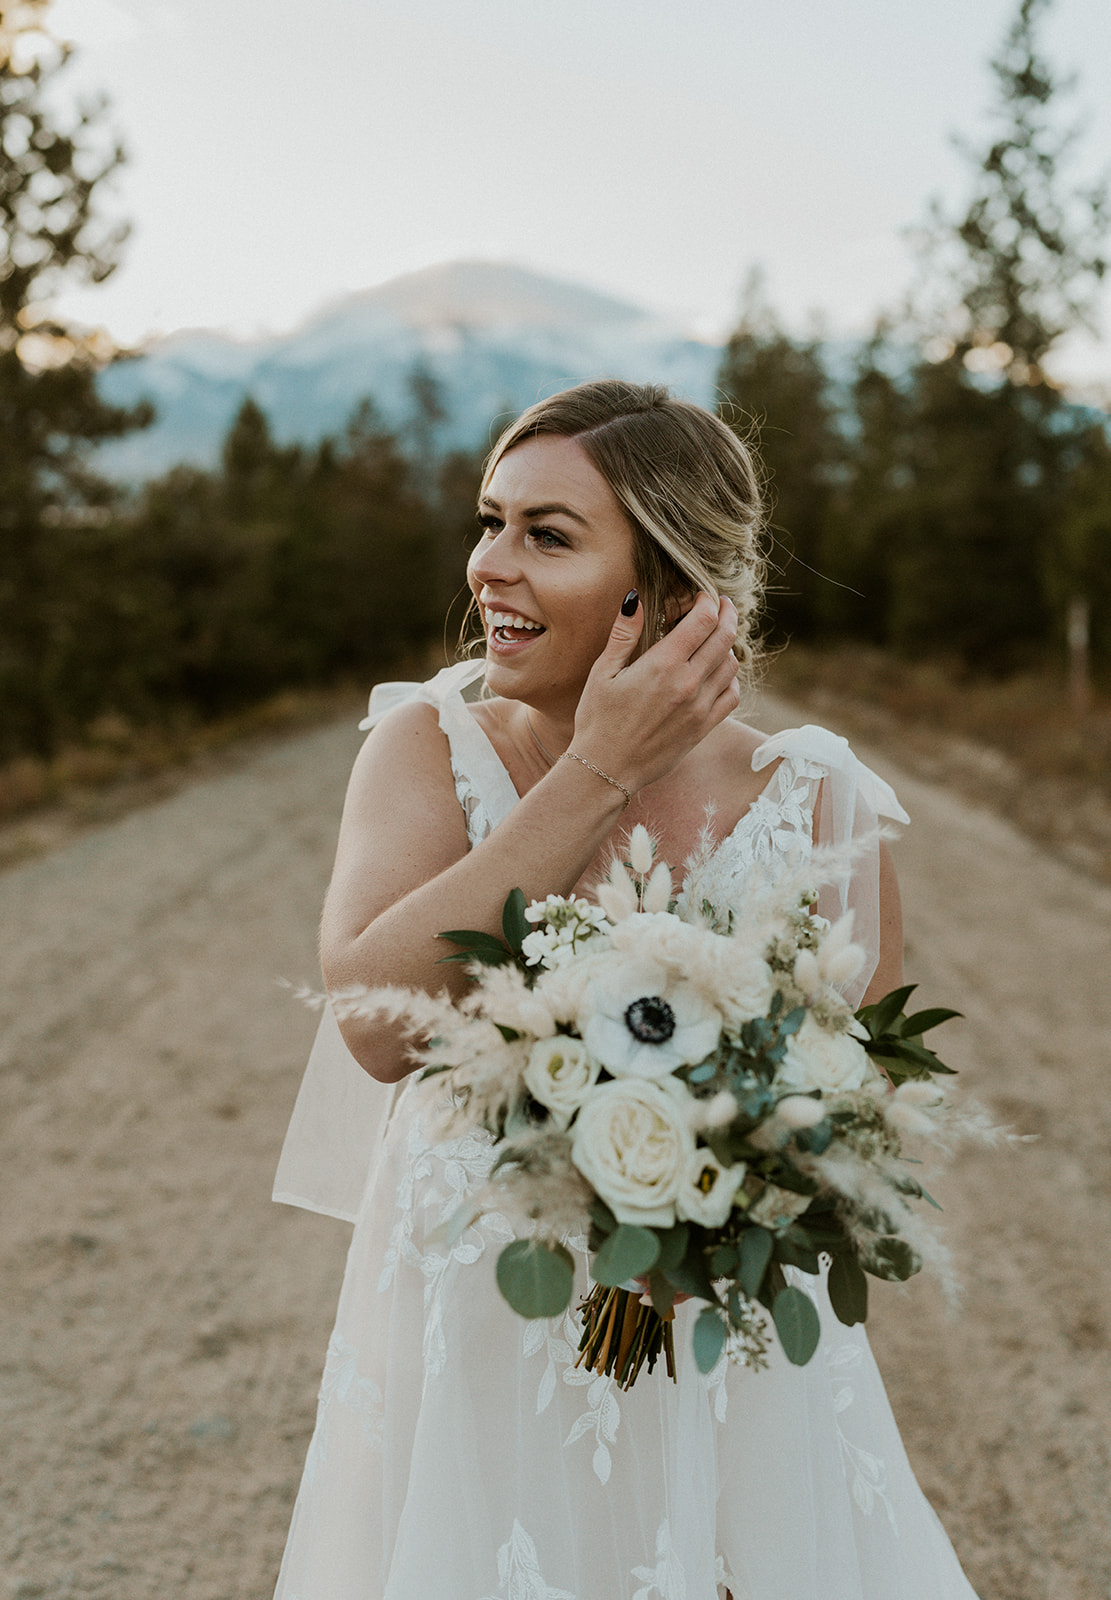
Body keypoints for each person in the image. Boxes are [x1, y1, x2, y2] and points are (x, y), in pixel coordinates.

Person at [272, 380, 979, 1600]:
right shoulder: (428, 750)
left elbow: (853, 1113)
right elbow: (377, 1027)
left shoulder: (815, 799)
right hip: (481, 1321)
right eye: (491, 520)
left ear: (662, 585)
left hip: (721, 1348)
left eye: (546, 535)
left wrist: (721, 1193)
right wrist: (598, 767)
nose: (488, 565)